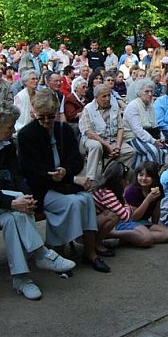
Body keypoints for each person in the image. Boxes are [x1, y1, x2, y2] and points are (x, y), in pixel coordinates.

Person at [0, 101, 75, 300]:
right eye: (9, 126)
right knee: (15, 209)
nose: (13, 129)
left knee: (12, 218)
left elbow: (16, 175)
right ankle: (41, 254)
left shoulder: (7, 145)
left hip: (7, 202)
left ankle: (21, 279)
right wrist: (14, 202)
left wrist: (27, 197)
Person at [18, 90, 112, 273]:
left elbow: (76, 161)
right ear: (34, 114)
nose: (46, 122)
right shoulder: (26, 135)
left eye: (50, 117)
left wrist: (66, 172)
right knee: (71, 204)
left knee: (86, 200)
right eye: (42, 117)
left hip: (64, 184)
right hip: (41, 189)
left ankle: (90, 252)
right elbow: (29, 170)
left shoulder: (64, 130)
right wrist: (54, 176)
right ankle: (57, 253)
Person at [79, 84, 136, 186]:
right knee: (96, 146)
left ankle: (115, 178)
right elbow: (89, 132)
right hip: (94, 140)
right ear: (96, 98)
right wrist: (108, 146)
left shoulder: (115, 107)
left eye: (109, 95)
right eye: (104, 96)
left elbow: (120, 128)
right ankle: (90, 180)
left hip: (112, 140)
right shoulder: (88, 109)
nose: (107, 98)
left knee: (130, 152)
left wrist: (117, 147)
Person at [123, 79, 168, 167]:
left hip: (148, 135)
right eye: (146, 91)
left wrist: (161, 138)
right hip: (132, 137)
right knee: (154, 151)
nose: (149, 94)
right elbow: (138, 130)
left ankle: (161, 175)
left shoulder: (150, 105)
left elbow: (155, 125)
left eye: (151, 91)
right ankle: (150, 175)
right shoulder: (133, 106)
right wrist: (153, 141)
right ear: (139, 92)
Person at [123, 162, 168, 243]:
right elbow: (134, 217)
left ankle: (131, 238)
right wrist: (147, 200)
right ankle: (128, 236)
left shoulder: (157, 188)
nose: (144, 178)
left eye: (148, 176)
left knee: (166, 234)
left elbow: (156, 210)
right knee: (147, 238)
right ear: (137, 176)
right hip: (129, 222)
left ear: (154, 177)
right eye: (141, 175)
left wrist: (155, 224)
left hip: (143, 222)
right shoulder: (132, 190)